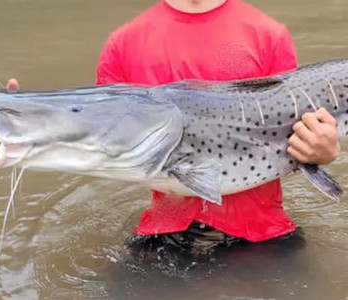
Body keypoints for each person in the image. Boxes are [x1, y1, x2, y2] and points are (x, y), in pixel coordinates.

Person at [94, 0, 340, 249]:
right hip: (164, 231)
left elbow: (293, 133)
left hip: (263, 232)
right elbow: (105, 142)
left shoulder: (268, 34)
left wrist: (322, 151)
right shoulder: (122, 45)